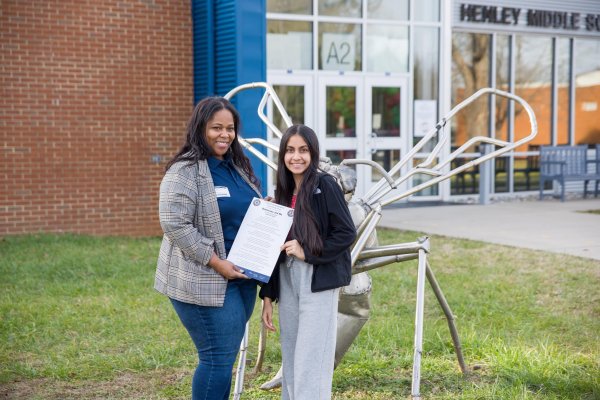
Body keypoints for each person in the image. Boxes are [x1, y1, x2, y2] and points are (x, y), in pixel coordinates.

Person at [154, 96, 261, 400]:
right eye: (216, 128)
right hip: (204, 279)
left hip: (241, 277)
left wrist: (262, 212)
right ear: (200, 128)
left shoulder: (236, 166)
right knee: (216, 359)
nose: (224, 135)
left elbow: (239, 209)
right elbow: (175, 224)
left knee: (224, 358)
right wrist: (216, 262)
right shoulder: (185, 171)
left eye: (230, 128)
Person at [260, 124, 357, 400]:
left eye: (303, 150)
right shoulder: (282, 190)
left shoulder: (324, 185)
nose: (296, 157)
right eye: (290, 150)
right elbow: (274, 247)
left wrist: (308, 253)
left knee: (311, 357)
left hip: (318, 279)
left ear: (313, 153)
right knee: (291, 352)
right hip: (287, 279)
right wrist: (267, 295)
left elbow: (346, 232)